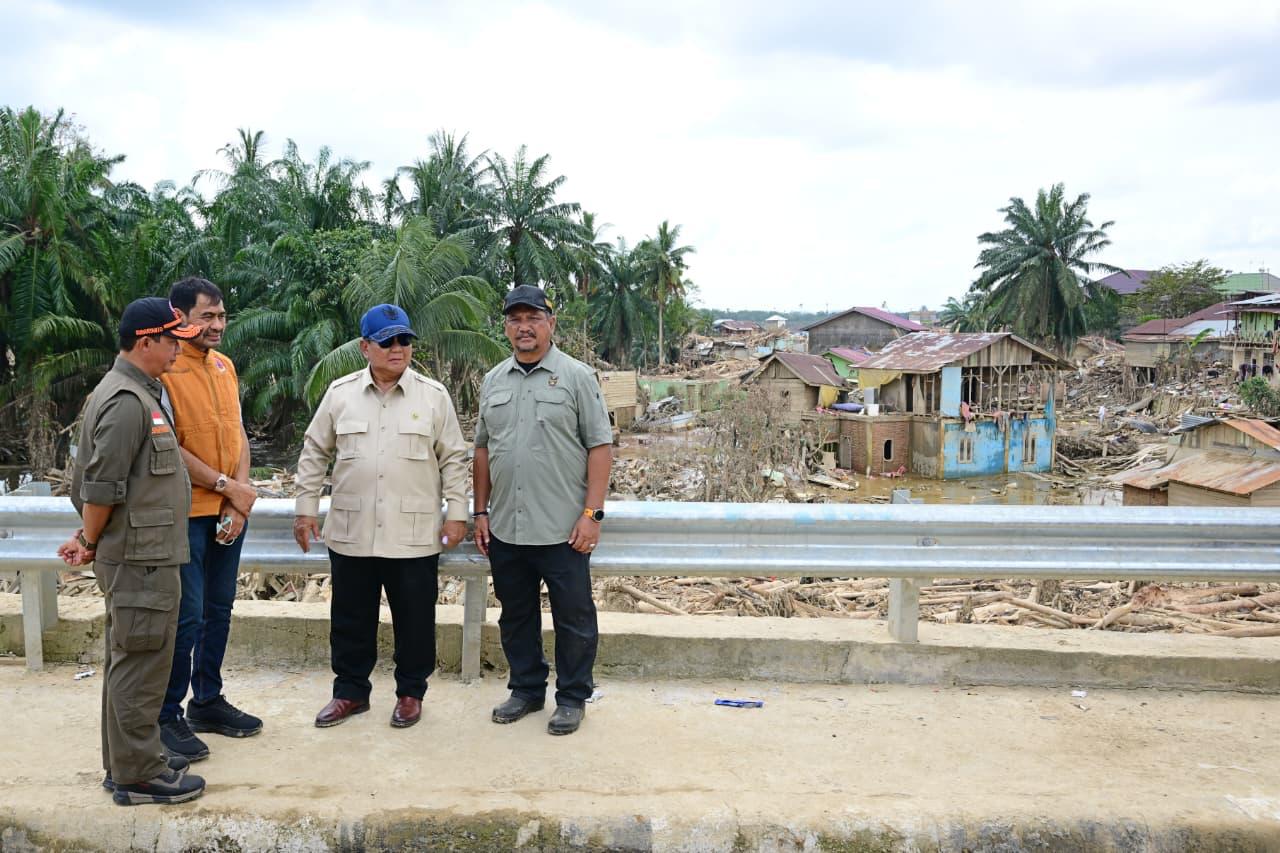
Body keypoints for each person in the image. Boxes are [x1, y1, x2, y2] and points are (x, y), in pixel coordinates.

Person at [57, 297, 207, 806]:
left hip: (149, 553)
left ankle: (127, 762)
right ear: (147, 342)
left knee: (131, 659)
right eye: (172, 342)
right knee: (141, 664)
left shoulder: (141, 391)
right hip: (140, 558)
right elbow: (100, 487)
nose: (177, 351)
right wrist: (89, 540)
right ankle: (139, 775)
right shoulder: (125, 400)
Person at [293, 304, 468, 729]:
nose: (398, 348)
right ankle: (350, 693)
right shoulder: (340, 394)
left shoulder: (433, 396)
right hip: (352, 530)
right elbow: (315, 452)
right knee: (351, 618)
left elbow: (455, 460)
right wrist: (304, 509)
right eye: (387, 341)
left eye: (404, 340)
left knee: (415, 620)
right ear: (365, 347)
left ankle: (410, 693)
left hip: (413, 531)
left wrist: (457, 513)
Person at [473, 285, 613, 736]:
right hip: (507, 527)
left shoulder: (576, 377)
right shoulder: (494, 380)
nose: (524, 326)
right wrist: (480, 512)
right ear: (507, 327)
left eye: (533, 317)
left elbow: (600, 446)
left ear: (551, 324)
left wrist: (592, 515)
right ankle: (527, 690)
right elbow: (481, 451)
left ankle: (572, 697)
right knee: (516, 616)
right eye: (515, 319)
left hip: (563, 529)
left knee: (573, 617)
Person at [156, 278, 262, 763]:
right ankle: (167, 714)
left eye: (221, 316)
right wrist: (225, 487)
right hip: (188, 512)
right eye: (207, 317)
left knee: (220, 610)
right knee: (188, 616)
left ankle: (207, 700)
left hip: (226, 510)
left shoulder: (224, 366)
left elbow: (236, 429)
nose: (217, 326)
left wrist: (239, 498)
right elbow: (170, 447)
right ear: (179, 317)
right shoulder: (165, 370)